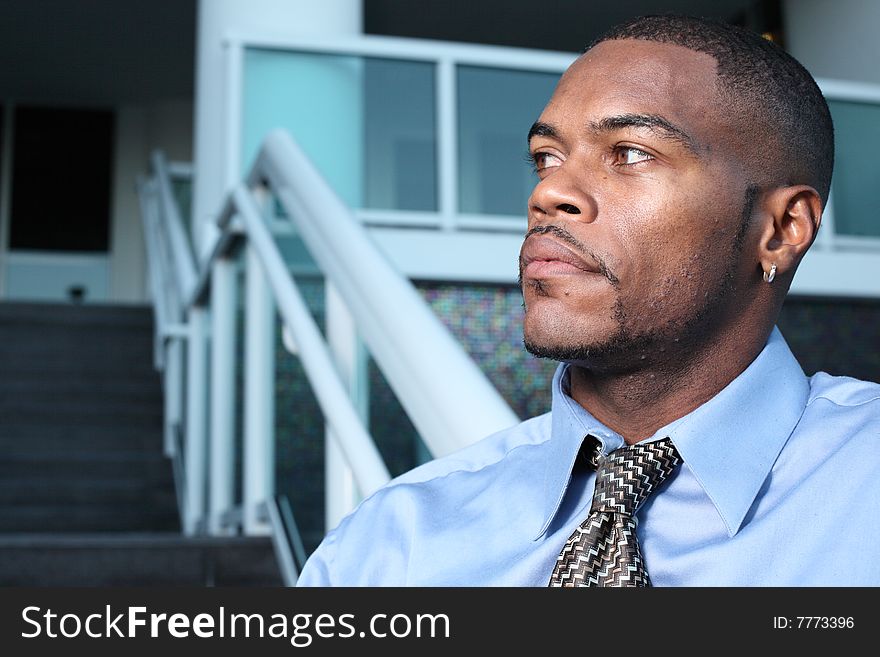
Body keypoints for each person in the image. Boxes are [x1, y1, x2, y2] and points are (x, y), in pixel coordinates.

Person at [297, 15, 880, 586]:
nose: (548, 193)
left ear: (781, 228)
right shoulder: (387, 549)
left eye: (629, 152)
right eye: (546, 158)